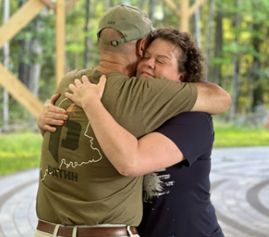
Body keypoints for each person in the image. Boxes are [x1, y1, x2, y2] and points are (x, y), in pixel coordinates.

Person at [35, 5, 230, 237]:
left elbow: (131, 163)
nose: (148, 63)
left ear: (183, 78)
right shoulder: (133, 98)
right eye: (147, 56)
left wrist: (92, 105)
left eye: (161, 60)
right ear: (139, 49)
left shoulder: (192, 120)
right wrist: (48, 124)